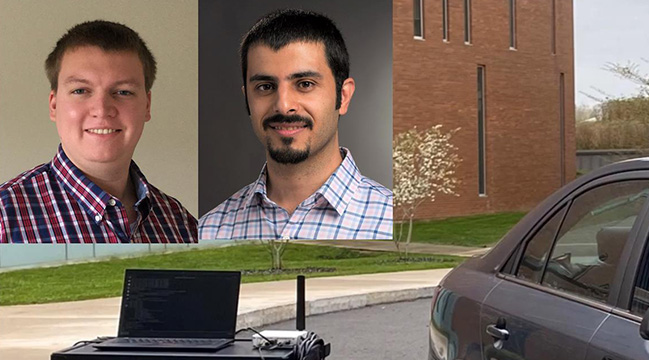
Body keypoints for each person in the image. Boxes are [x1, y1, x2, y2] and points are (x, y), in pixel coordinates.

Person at [199, 9, 393, 240]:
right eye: (265, 87)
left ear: (344, 96)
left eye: (305, 84)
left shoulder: (394, 222)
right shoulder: (207, 230)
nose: (283, 105)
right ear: (247, 99)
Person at [0, 20, 197, 244]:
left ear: (147, 106)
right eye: (81, 90)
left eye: (123, 91)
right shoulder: (4, 216)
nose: (102, 110)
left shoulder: (181, 223)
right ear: (54, 105)